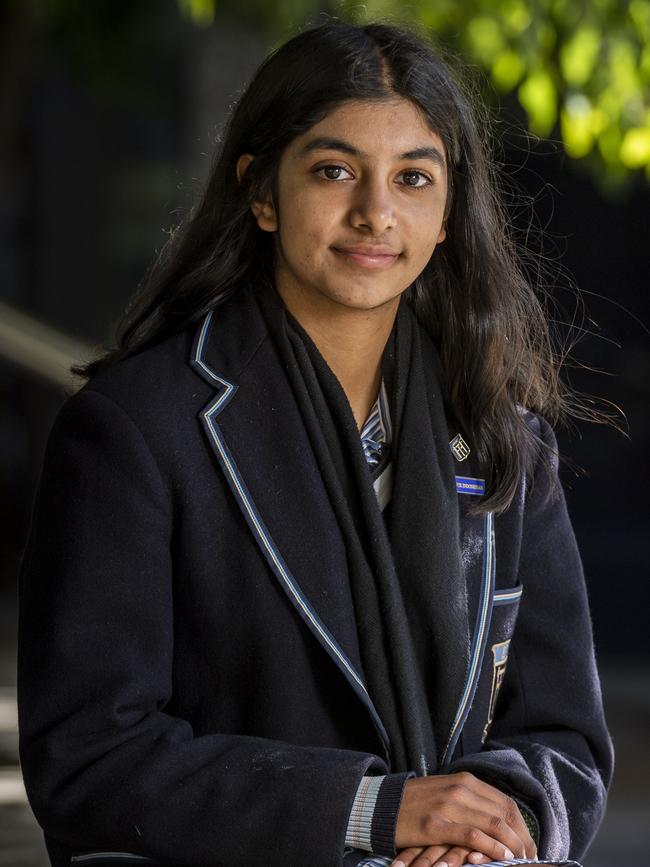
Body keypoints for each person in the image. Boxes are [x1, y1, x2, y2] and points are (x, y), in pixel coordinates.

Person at [17, 17, 614, 867]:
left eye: (413, 178)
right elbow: (88, 755)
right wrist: (376, 809)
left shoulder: (503, 437)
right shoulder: (136, 429)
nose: (375, 213)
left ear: (446, 214)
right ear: (260, 192)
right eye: (335, 170)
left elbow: (566, 742)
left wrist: (481, 833)